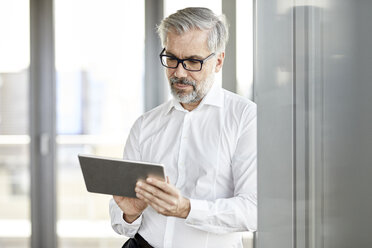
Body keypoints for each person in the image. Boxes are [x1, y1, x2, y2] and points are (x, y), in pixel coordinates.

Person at [109, 7, 257, 248]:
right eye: (171, 59)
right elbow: (121, 219)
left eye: (192, 61)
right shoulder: (145, 125)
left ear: (218, 61)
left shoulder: (244, 118)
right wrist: (130, 213)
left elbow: (253, 209)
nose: (179, 72)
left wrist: (187, 209)